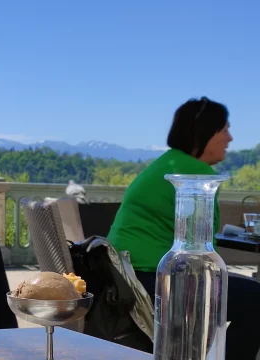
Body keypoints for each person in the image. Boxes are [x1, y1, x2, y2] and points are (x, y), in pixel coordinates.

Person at [108, 97, 260, 359]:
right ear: (203, 133)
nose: (231, 138)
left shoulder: (166, 164)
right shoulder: (194, 177)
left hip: (124, 275)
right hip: (153, 279)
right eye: (224, 129)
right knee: (255, 300)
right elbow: (201, 251)